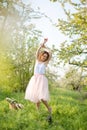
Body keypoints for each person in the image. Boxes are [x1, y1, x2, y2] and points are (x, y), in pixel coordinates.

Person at [25, 38, 52, 114]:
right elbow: (37, 51)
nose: (44, 57)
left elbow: (50, 54)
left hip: (41, 80)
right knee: (36, 96)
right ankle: (38, 111)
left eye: (46, 57)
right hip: (35, 79)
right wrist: (43, 43)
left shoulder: (45, 63)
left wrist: (46, 48)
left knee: (41, 97)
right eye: (44, 56)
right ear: (41, 56)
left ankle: (49, 108)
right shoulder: (37, 60)